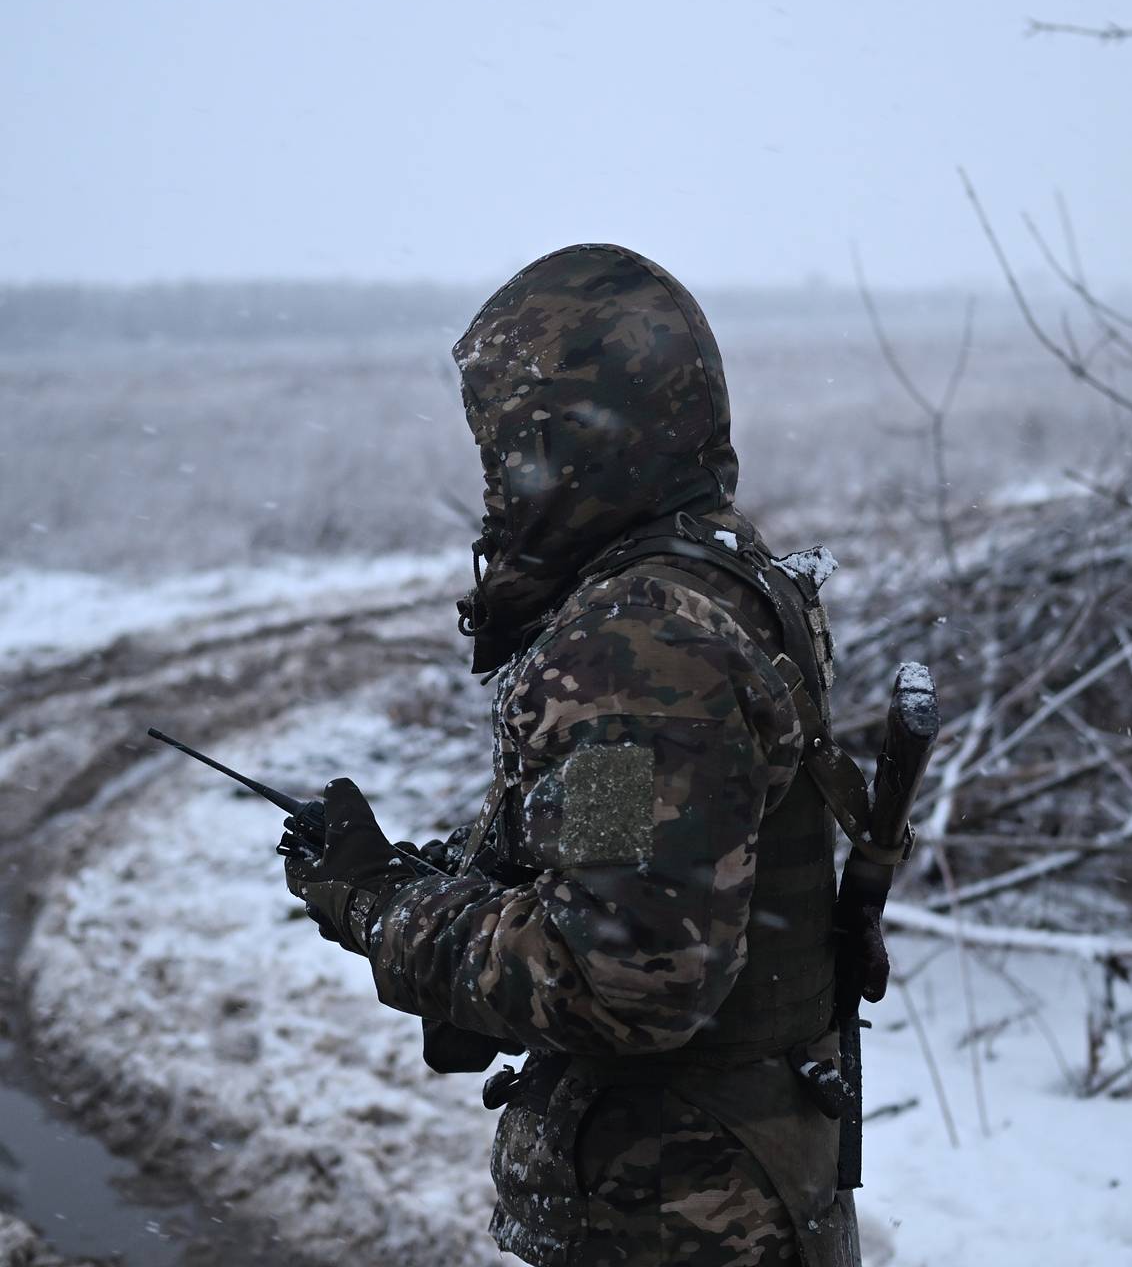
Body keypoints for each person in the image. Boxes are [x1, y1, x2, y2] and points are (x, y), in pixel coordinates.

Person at [283, 245, 894, 1267]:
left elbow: (616, 973)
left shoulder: (636, 648)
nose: (495, 476)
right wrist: (464, 870)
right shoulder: (714, 577)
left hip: (680, 1211)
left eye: (510, 441)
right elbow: (632, 854)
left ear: (579, 437)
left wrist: (380, 902)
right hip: (735, 1181)